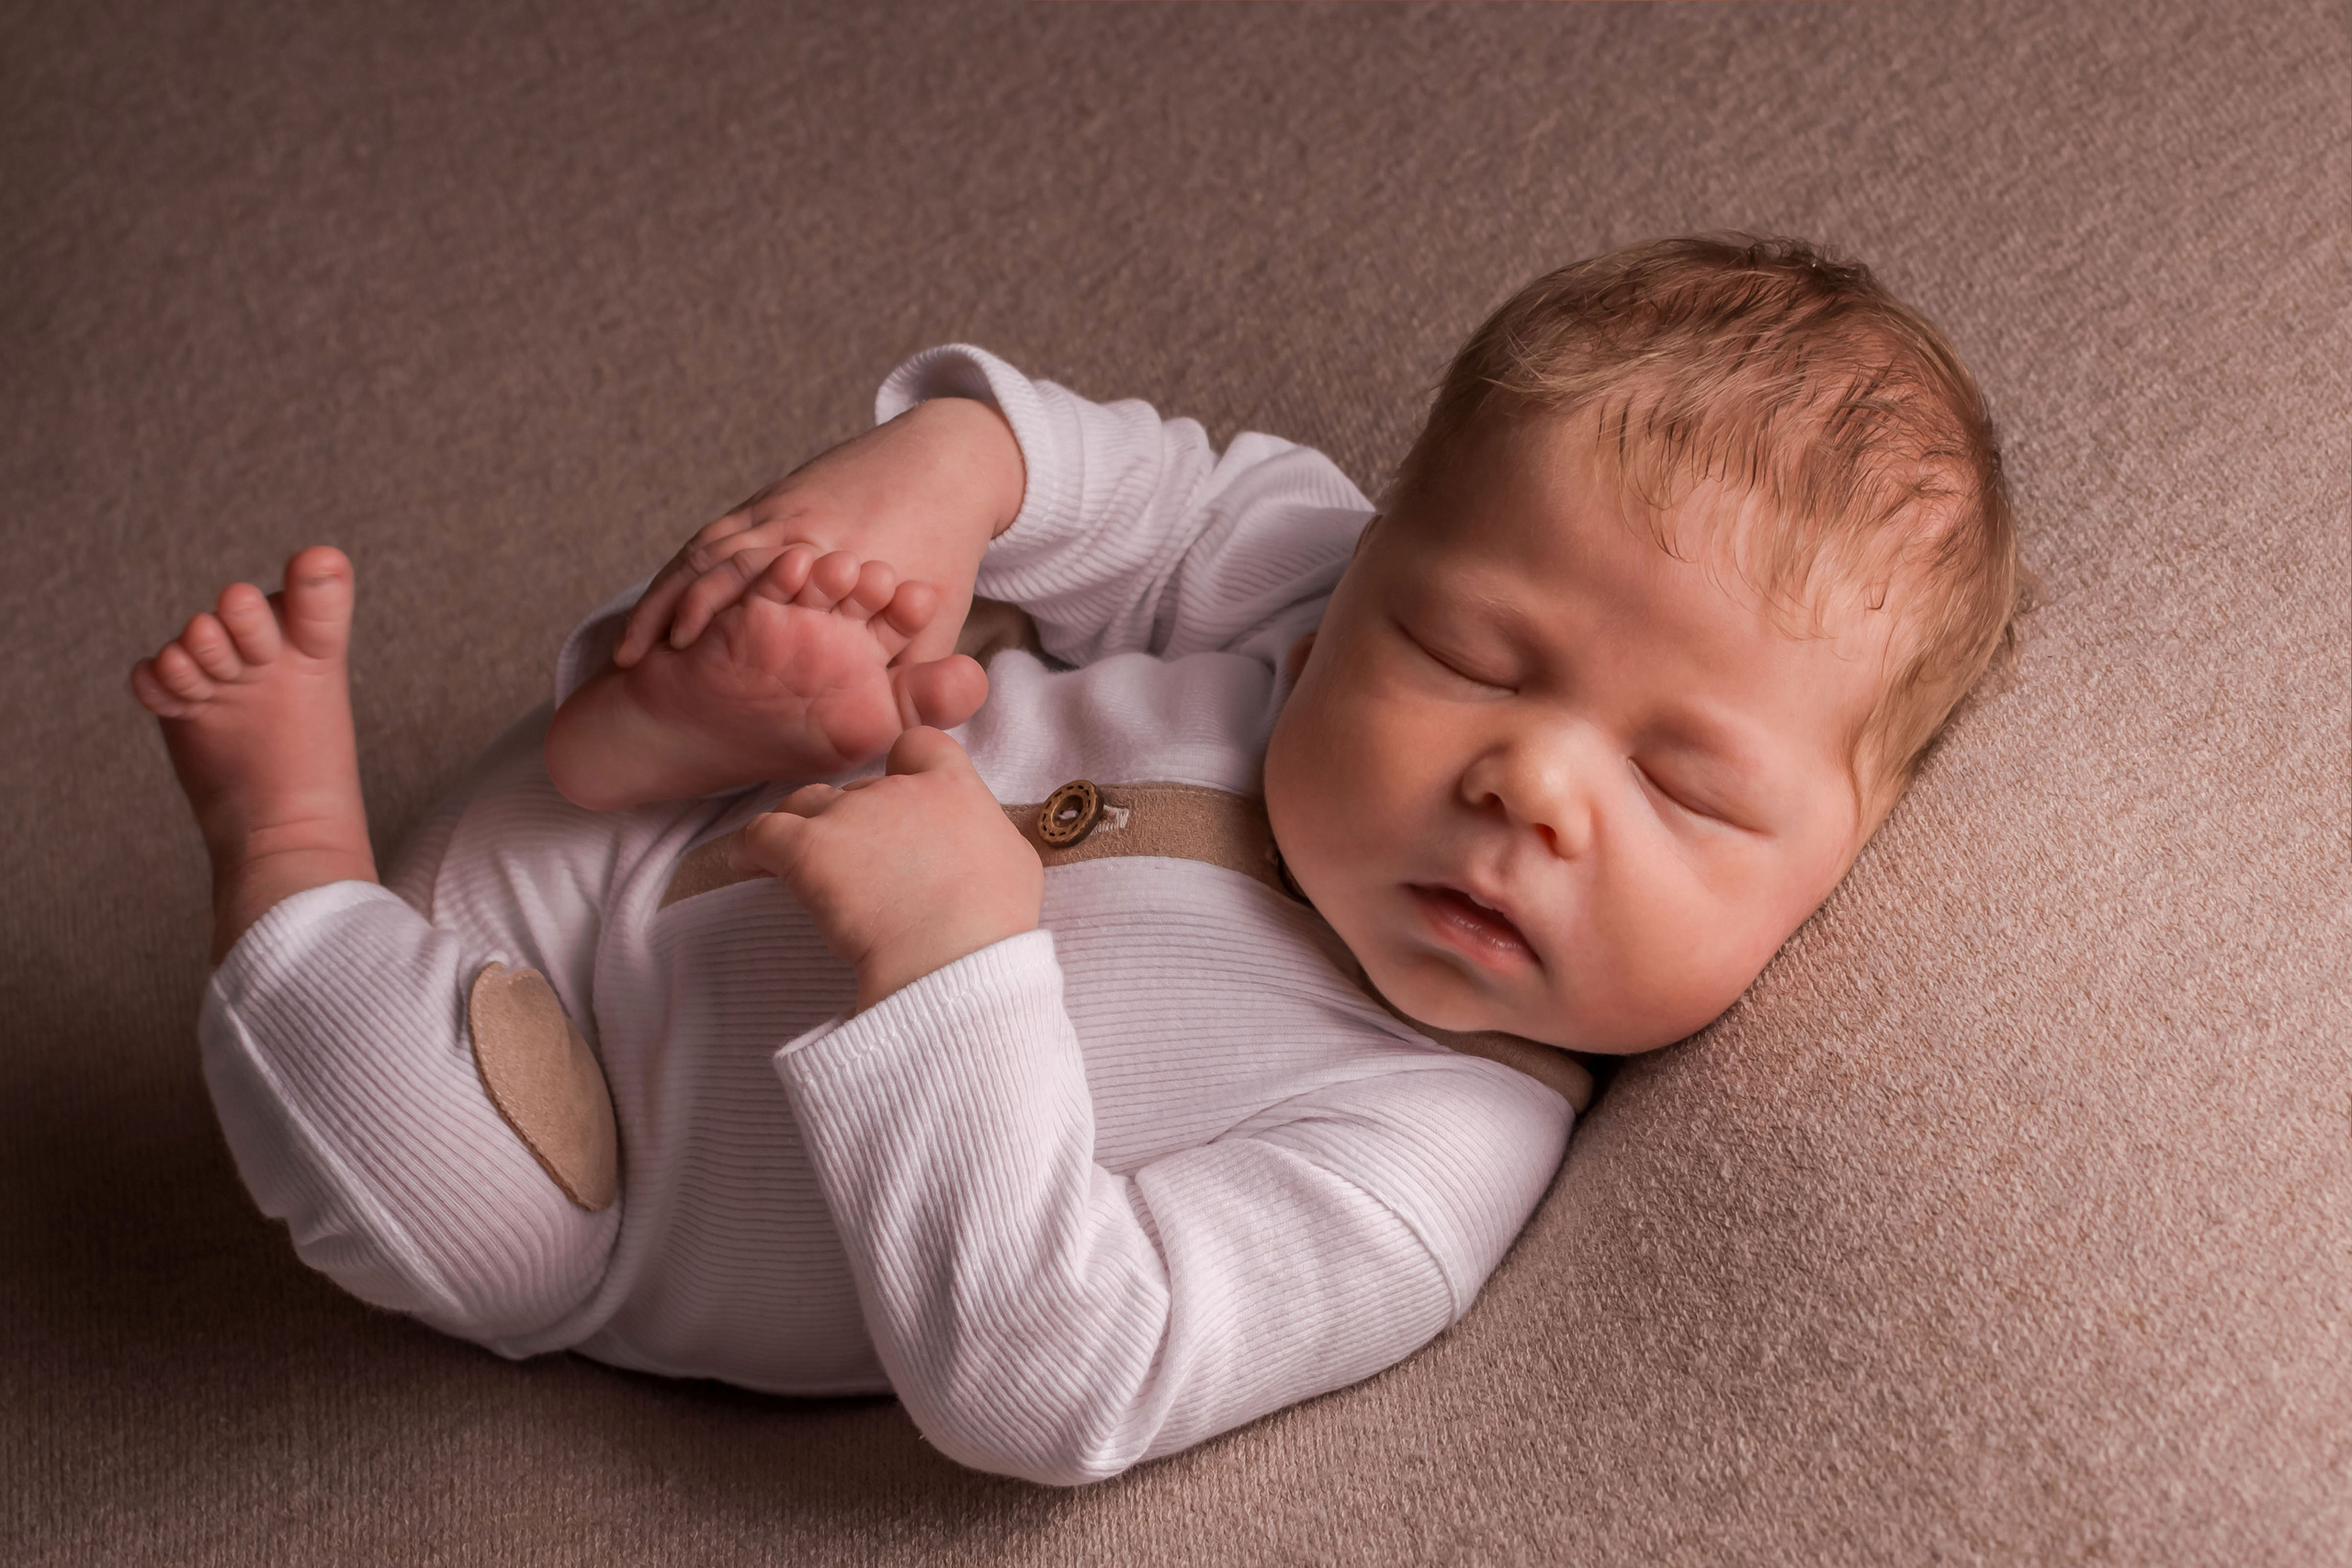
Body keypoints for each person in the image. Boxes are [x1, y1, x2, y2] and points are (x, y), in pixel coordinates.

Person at [129, 236, 2019, 1486]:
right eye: (1464, 652)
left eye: (1684, 784)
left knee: (435, 1207)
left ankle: (288, 839)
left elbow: (1055, 1366)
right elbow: (1164, 481)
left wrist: (953, 965)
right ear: (1374, 566)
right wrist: (951, 473)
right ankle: (690, 710)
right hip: (673, 792)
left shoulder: (1418, 1157)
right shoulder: (1306, 571)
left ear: (1838, 863)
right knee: (891, 631)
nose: (1531, 779)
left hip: (576, 1137)